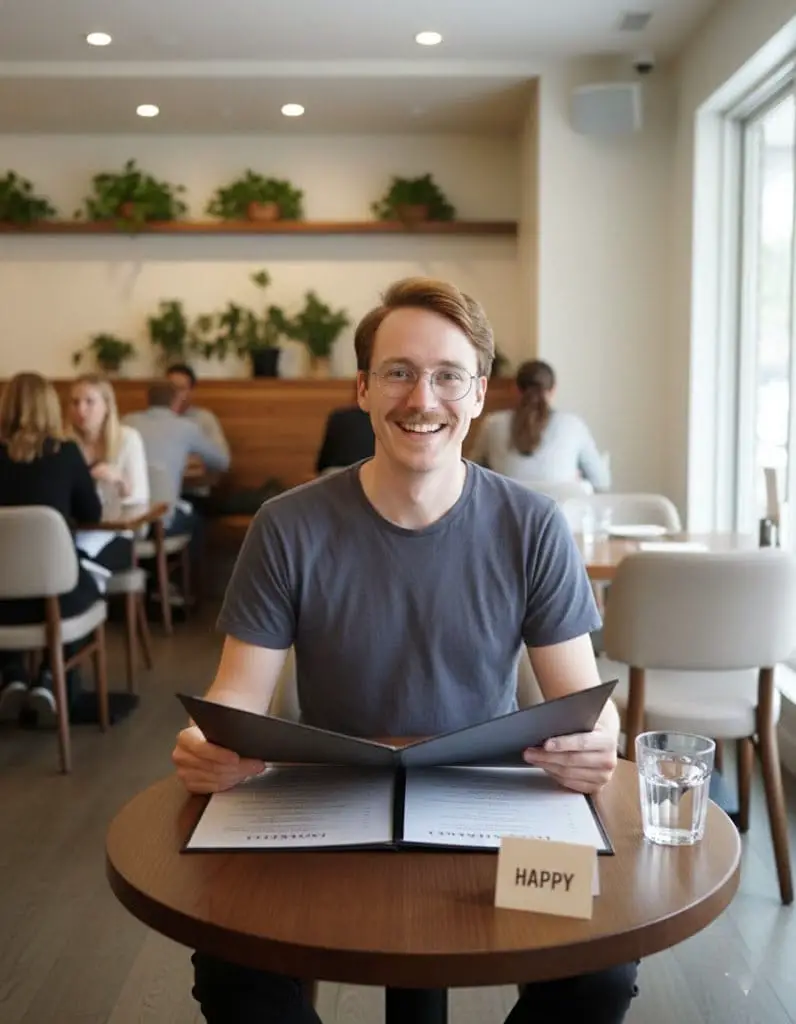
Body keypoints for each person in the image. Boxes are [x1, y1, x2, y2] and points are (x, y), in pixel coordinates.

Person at [172, 278, 637, 1024]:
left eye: (448, 375)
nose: (423, 398)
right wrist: (207, 741)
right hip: (326, 814)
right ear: (363, 387)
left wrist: (599, 745)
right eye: (398, 372)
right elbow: (235, 698)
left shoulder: (533, 525)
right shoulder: (287, 525)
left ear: (480, 394)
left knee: (599, 970)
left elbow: (583, 709)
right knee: (232, 965)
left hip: (496, 820)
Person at [0, 372, 103, 725]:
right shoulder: (66, 453)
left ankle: (12, 674)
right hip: (54, 602)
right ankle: (48, 678)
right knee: (88, 583)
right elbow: (93, 513)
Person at [471, 359, 610, 491]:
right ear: (553, 389)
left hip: (505, 514)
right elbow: (602, 482)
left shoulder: (493, 424)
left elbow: (471, 475)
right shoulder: (574, 425)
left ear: (515, 389)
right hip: (560, 514)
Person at [122, 381, 230, 536]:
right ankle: (191, 560)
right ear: (175, 400)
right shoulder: (186, 427)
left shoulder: (128, 422)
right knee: (198, 520)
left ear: (148, 399)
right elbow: (222, 461)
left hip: (130, 520)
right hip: (165, 520)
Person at [66, 372, 149, 572]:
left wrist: (120, 480)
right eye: (75, 402)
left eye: (89, 402)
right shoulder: (65, 445)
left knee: (77, 563)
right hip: (75, 530)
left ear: (107, 406)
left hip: (116, 532)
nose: (81, 410)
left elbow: (140, 499)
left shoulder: (128, 439)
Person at [166, 363, 230, 463]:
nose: (175, 393)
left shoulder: (204, 419)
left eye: (181, 389)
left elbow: (223, 459)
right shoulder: (155, 420)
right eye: (171, 388)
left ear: (191, 392)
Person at [315, 388, 375, 474]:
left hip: (335, 473)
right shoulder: (384, 420)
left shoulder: (339, 416)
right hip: (371, 474)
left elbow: (324, 460)